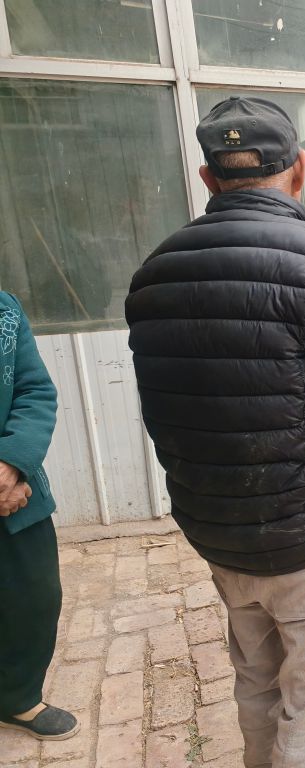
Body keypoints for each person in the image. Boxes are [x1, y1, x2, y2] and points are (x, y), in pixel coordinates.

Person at [125, 96, 305, 768]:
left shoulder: (152, 275)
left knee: (257, 683)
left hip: (222, 539)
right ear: (301, 170)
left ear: (207, 177)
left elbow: (164, 417)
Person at [0, 292, 77, 741]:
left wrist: (13, 464)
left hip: (17, 494)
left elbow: (34, 390)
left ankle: (16, 698)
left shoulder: (4, 309)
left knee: (35, 597)